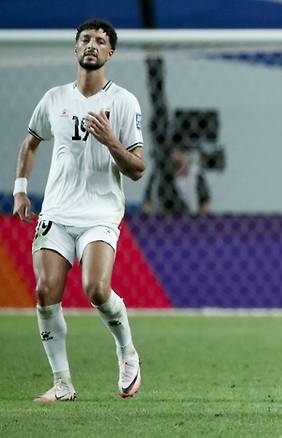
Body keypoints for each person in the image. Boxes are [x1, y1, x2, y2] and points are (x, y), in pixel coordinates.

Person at [12, 19, 144, 402]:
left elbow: (137, 169)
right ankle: (63, 384)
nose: (92, 45)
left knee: (96, 289)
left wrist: (111, 140)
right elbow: (31, 142)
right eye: (85, 39)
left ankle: (127, 352)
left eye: (100, 41)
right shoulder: (54, 98)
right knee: (44, 291)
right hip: (57, 211)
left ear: (110, 53)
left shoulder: (123, 102)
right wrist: (21, 190)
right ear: (75, 49)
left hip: (100, 213)